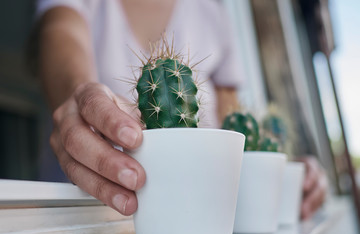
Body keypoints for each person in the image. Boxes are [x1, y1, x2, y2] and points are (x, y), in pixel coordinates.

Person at [34, 0, 327, 219]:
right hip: (90, 218)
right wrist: (79, 96)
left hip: (197, 216)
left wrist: (280, 171)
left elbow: (236, 128)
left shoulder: (212, 10)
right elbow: (61, 32)